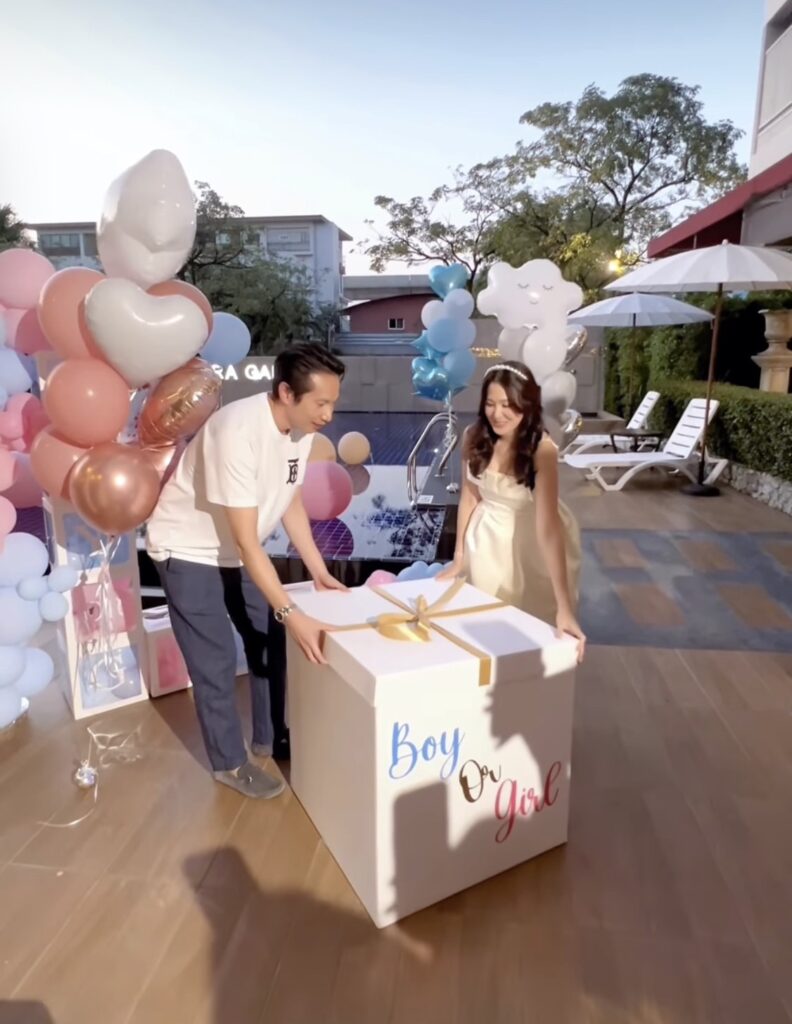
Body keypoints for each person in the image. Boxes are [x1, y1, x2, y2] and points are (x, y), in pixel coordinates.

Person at [146, 343, 347, 798]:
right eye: (321, 403)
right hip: (188, 548)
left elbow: (290, 499)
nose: (328, 415)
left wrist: (318, 570)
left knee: (269, 636)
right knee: (216, 658)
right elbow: (247, 542)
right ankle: (229, 763)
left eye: (333, 403)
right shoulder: (237, 430)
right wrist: (291, 611)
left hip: (235, 549)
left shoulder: (301, 431)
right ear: (287, 393)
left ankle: (271, 736)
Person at [437, 361, 585, 662]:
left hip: (533, 538)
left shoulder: (542, 449)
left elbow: (548, 527)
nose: (497, 414)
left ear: (526, 404)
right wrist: (459, 558)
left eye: (508, 405)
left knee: (532, 626)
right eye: (490, 404)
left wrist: (565, 606)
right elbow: (469, 497)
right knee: (485, 623)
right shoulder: (473, 436)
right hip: (487, 535)